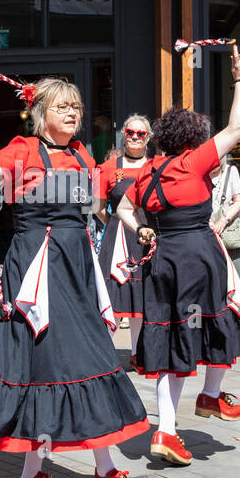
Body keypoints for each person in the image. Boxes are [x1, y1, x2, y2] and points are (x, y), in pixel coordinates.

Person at [0, 77, 150, 478]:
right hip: (37, 271)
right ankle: (105, 471)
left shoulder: (81, 154)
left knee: (82, 359)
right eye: (62, 108)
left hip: (76, 268)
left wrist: (138, 225)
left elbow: (105, 205)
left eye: (76, 106)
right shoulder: (21, 150)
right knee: (53, 362)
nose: (73, 113)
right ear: (41, 114)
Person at [116, 48, 240, 467]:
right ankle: (211, 393)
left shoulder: (147, 171)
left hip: (162, 257)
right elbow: (238, 125)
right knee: (232, 316)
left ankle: (167, 432)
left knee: (170, 339)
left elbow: (122, 207)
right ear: (192, 138)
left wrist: (141, 229)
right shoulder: (194, 162)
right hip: (199, 254)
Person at [93, 114, 152, 360]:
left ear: (148, 137)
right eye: (131, 133)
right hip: (117, 237)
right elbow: (98, 206)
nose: (135, 137)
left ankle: (138, 354)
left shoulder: (156, 165)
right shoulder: (106, 168)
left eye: (141, 133)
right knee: (113, 294)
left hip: (148, 237)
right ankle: (104, 355)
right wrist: (116, 224)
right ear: (124, 135)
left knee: (141, 297)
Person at [209, 154, 240, 292]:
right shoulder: (199, 173)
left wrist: (223, 220)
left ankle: (239, 313)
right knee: (214, 280)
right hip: (207, 233)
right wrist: (208, 222)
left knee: (238, 281)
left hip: (231, 234)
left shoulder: (231, 171)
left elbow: (239, 200)